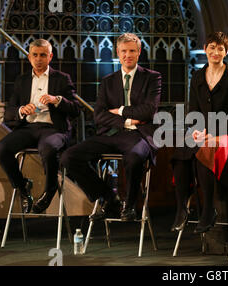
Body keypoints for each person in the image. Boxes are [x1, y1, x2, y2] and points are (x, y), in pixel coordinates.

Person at [61, 33, 161, 221]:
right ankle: (109, 197)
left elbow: (148, 111)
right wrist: (127, 120)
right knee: (69, 157)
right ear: (117, 52)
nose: (128, 55)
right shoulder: (108, 81)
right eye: (124, 51)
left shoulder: (152, 78)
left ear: (139, 52)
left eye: (132, 51)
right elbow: (99, 115)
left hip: (138, 135)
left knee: (134, 156)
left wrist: (120, 110)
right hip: (111, 134)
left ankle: (130, 205)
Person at [171, 32, 228, 234]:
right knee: (181, 153)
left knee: (206, 150)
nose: (215, 51)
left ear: (226, 52)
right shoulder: (197, 76)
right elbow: (193, 110)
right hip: (203, 133)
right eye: (212, 47)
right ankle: (182, 209)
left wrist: (215, 135)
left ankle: (208, 210)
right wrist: (195, 132)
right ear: (205, 49)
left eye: (220, 48)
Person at [0, 39, 80, 214]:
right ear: (29, 57)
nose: (39, 59)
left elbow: (75, 110)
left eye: (43, 55)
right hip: (28, 128)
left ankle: (49, 192)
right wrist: (21, 110)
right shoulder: (22, 80)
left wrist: (57, 100)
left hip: (54, 129)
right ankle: (22, 186)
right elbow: (9, 111)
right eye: (35, 55)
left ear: (50, 57)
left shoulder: (62, 79)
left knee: (48, 149)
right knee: (1, 148)